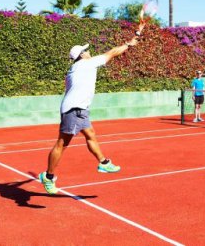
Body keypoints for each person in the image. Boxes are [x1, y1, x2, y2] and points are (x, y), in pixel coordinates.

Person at [39, 37, 138, 195]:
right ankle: (48, 177)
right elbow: (112, 53)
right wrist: (128, 44)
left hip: (80, 109)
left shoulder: (76, 68)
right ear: (81, 55)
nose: (89, 52)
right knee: (62, 144)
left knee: (90, 134)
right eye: (86, 50)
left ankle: (103, 163)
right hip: (73, 109)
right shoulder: (86, 64)